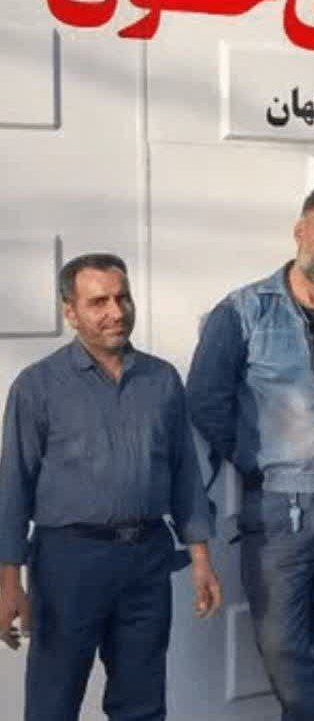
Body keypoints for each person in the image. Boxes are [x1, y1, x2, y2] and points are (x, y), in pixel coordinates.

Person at [187, 187, 314, 721]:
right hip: (279, 500)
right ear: (299, 232)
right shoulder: (245, 310)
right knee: (284, 641)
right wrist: (253, 460)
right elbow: (205, 398)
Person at [0, 253, 221, 721]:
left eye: (122, 298)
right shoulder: (37, 386)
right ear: (71, 311)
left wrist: (201, 558)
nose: (116, 312)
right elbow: (14, 485)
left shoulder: (161, 380)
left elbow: (184, 472)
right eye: (98, 302)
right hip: (69, 562)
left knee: (142, 703)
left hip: (146, 559)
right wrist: (8, 582)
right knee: (53, 701)